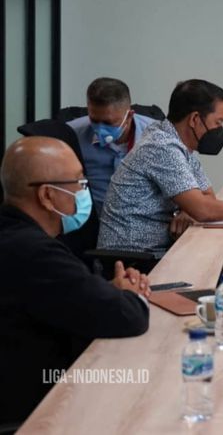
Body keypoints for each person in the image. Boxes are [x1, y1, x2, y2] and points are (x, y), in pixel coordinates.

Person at [0, 137, 150, 425]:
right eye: (79, 183)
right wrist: (132, 295)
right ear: (47, 195)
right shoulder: (35, 252)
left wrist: (108, 291)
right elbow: (128, 317)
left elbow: (64, 294)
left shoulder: (15, 235)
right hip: (40, 406)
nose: (84, 192)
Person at [97, 79, 223, 254]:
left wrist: (188, 209)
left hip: (157, 251)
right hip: (132, 260)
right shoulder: (161, 146)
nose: (219, 130)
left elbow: (207, 198)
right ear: (194, 119)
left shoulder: (180, 145)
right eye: (218, 122)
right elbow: (204, 210)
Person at [67, 77, 156, 213]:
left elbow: (186, 182)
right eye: (94, 120)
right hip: (93, 218)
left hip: (145, 218)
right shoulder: (71, 134)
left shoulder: (158, 136)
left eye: (108, 123)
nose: (100, 129)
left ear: (129, 115)